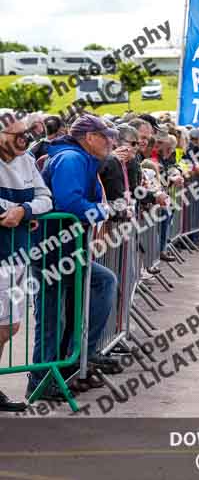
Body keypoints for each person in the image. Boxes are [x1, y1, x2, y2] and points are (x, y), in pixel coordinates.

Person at [34, 114, 121, 399]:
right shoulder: (71, 159)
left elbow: (82, 201)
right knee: (51, 318)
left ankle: (77, 359)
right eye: (105, 137)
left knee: (102, 282)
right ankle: (43, 380)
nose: (111, 143)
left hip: (68, 247)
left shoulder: (82, 159)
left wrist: (98, 209)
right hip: (52, 248)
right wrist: (102, 211)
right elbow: (69, 202)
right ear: (90, 138)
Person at [0, 112, 53, 411]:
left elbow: (46, 199)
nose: (24, 140)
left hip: (17, 254)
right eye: (17, 135)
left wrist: (24, 211)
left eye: (26, 134)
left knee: (9, 326)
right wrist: (21, 211)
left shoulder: (27, 161)